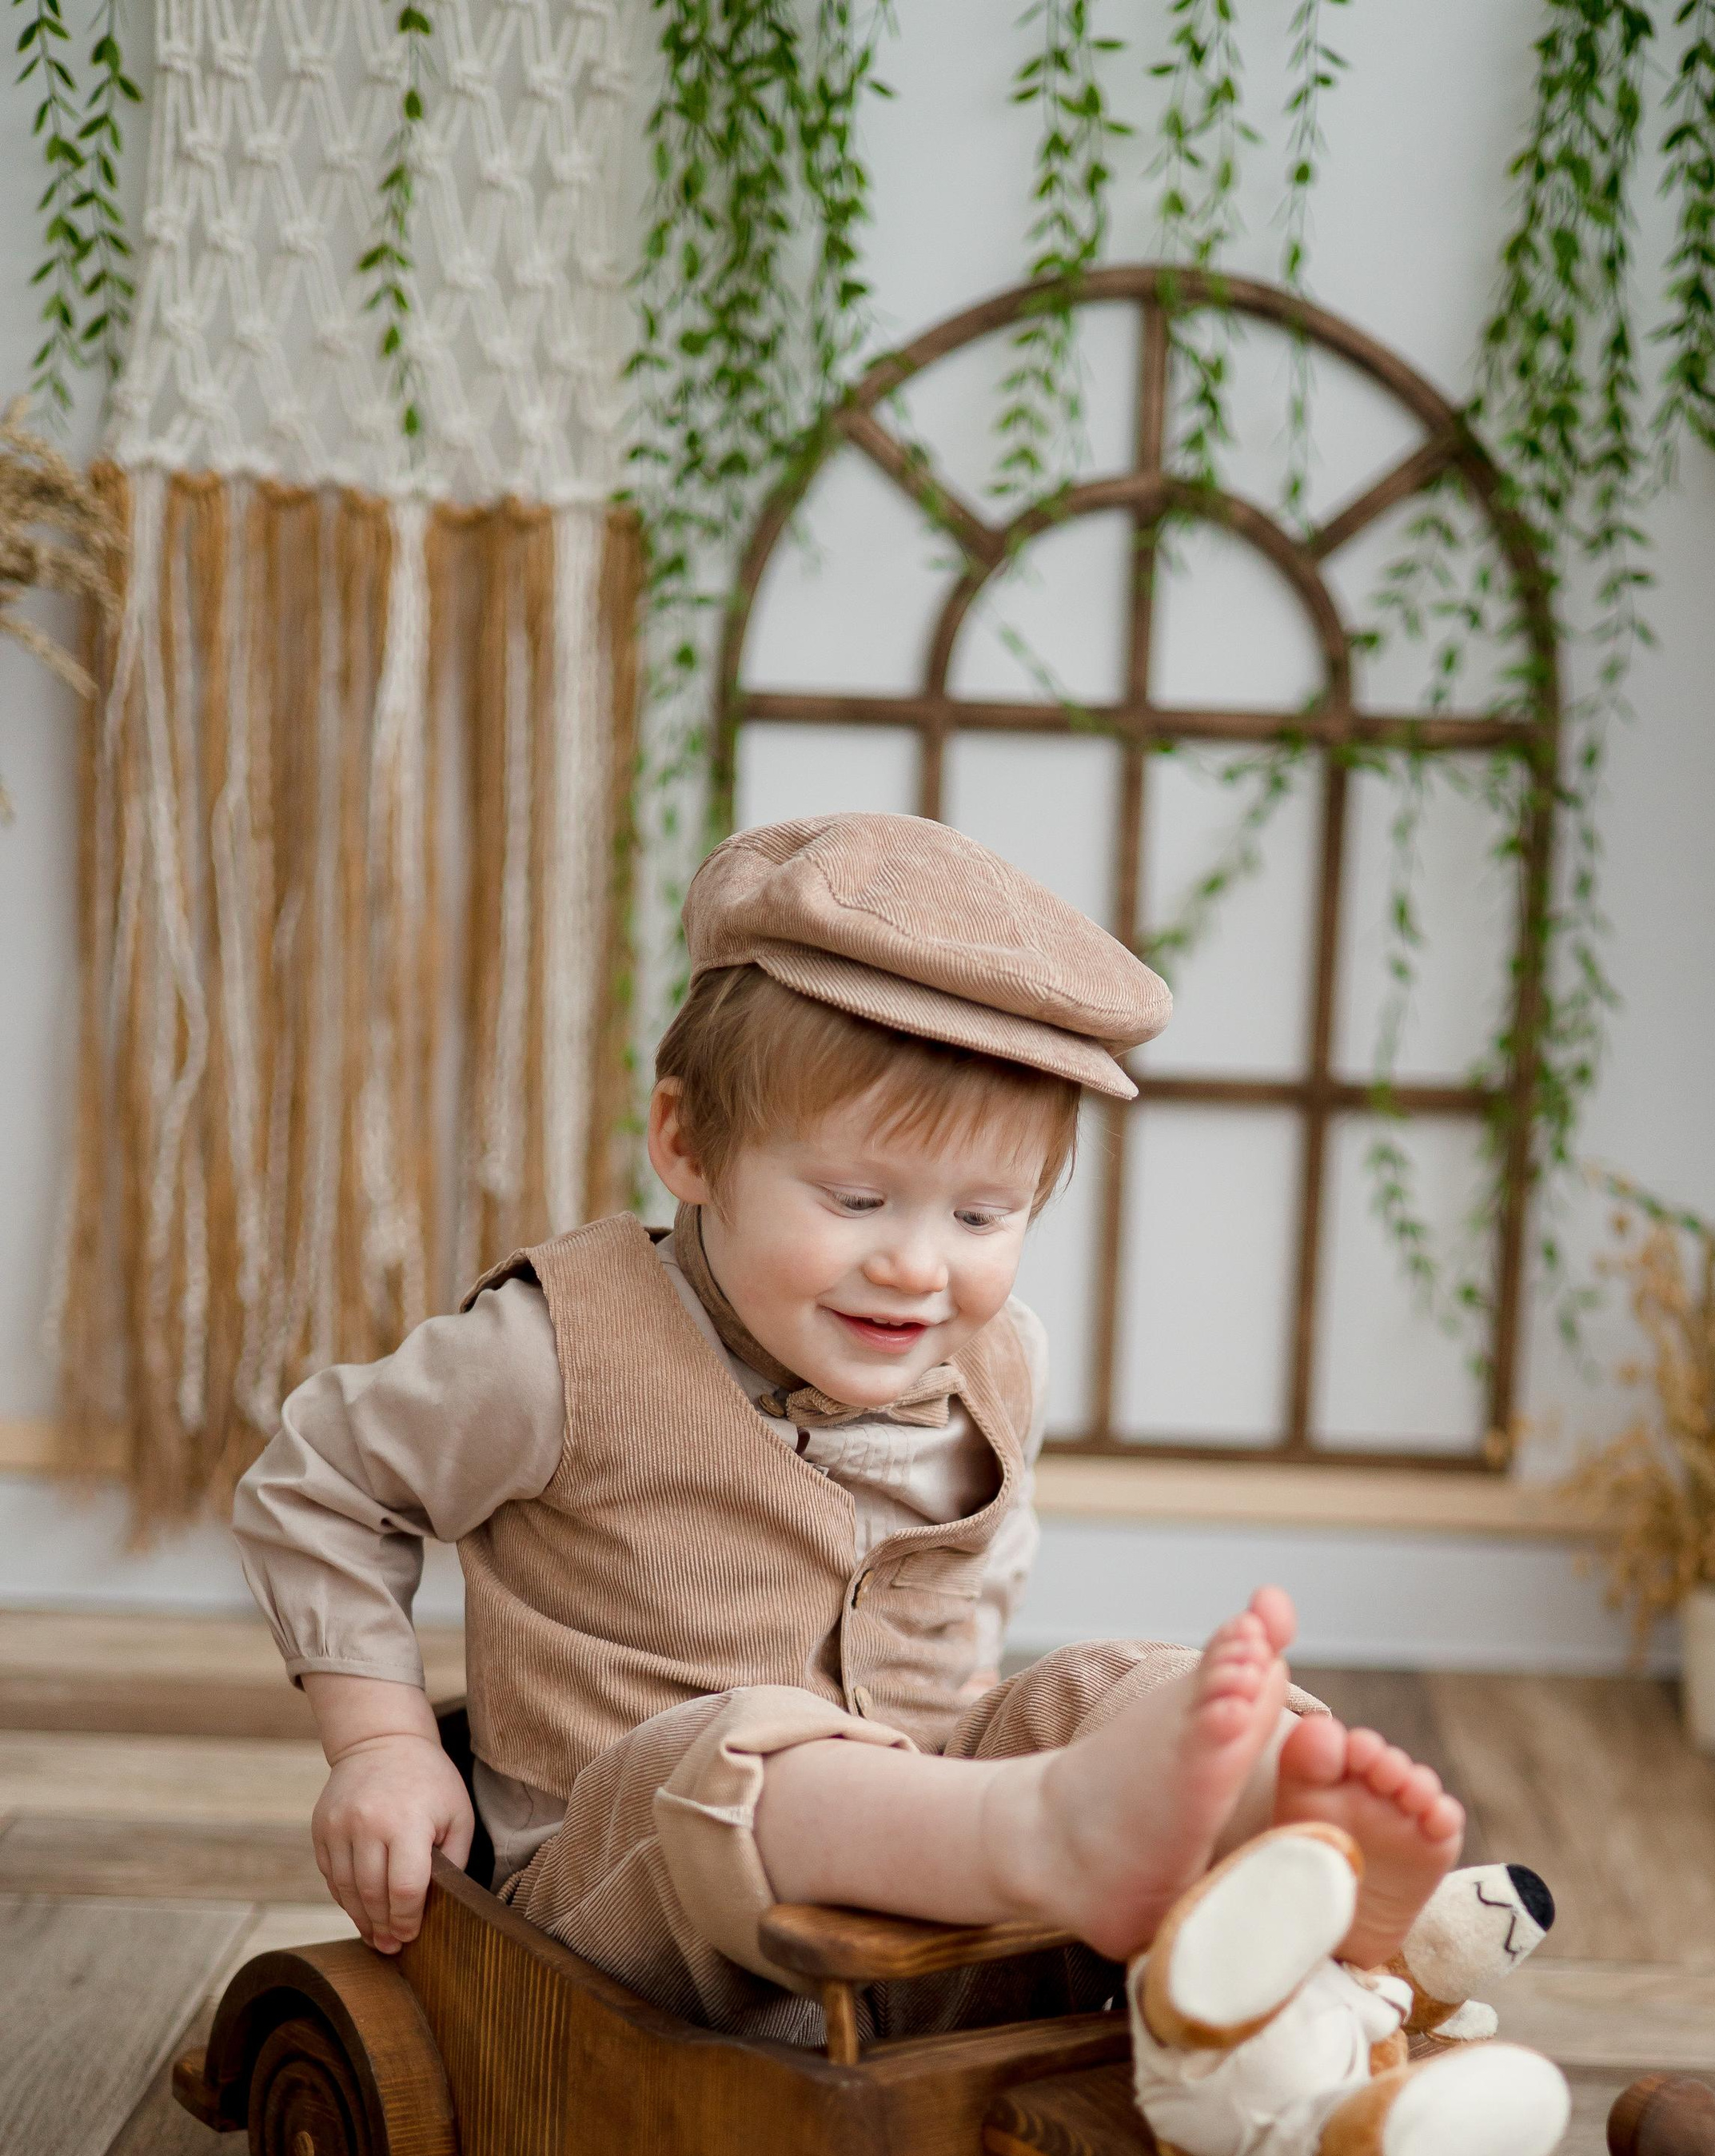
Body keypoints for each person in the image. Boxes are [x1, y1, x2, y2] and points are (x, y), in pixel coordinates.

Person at [234, 811, 1476, 2074]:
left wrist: (996, 1736)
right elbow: (319, 1484)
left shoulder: (1002, 1361)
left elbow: (986, 1565)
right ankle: (1060, 1836)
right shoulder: (552, 1351)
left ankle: (1291, 1845)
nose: (916, 1263)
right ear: (689, 1144)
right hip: (643, 1914)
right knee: (753, 1747)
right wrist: (383, 1746)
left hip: (938, 1912)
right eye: (857, 1199)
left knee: (1106, 1686)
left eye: (986, 1215)